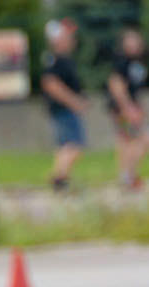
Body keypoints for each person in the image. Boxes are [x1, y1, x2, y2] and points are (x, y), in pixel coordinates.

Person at [40, 19, 88, 193]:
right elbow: (51, 84)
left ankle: (61, 179)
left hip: (65, 109)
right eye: (68, 37)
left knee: (65, 147)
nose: (72, 40)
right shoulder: (56, 61)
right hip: (63, 110)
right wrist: (74, 102)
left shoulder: (64, 60)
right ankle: (58, 178)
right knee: (74, 145)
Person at [108, 26, 149, 190]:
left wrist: (138, 107)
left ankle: (128, 176)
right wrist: (127, 107)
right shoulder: (122, 62)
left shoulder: (137, 62)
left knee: (127, 141)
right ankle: (128, 176)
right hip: (123, 109)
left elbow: (135, 89)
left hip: (130, 107)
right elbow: (116, 84)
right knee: (144, 139)